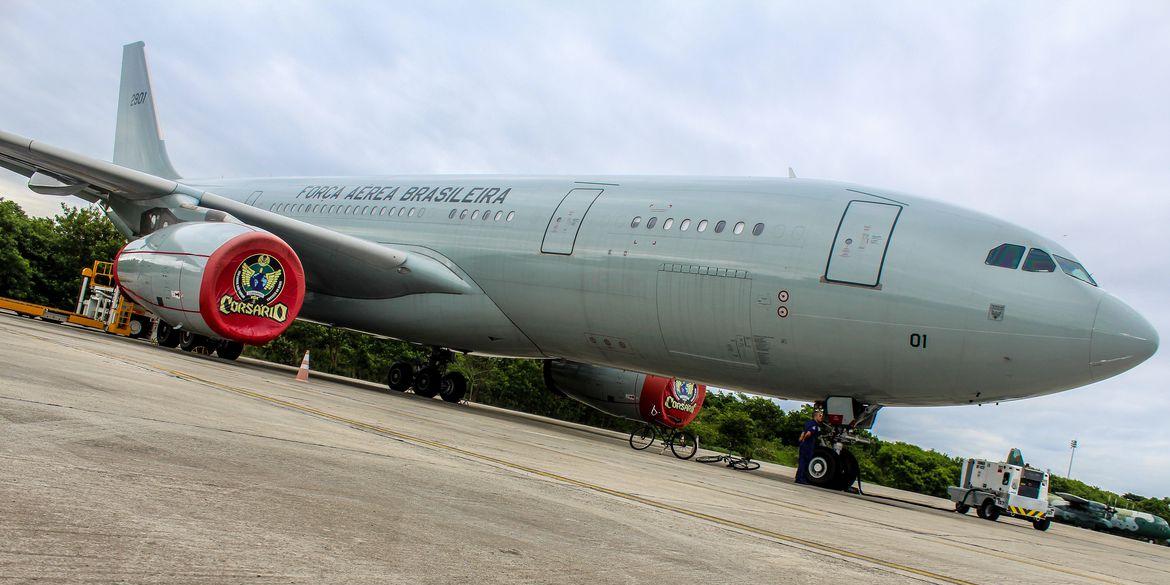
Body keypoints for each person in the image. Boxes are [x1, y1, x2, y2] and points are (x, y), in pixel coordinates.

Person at [795, 409, 824, 484]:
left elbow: (803, 433)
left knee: (802, 461)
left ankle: (798, 477)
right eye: (820, 415)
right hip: (808, 445)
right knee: (805, 462)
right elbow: (808, 433)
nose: (821, 417)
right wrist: (805, 440)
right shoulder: (815, 425)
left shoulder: (808, 423)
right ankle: (800, 479)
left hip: (804, 445)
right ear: (815, 416)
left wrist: (801, 441)